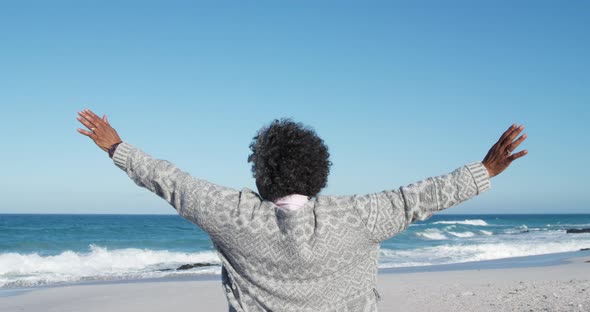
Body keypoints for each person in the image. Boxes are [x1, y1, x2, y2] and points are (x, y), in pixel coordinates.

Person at [76, 109, 527, 312]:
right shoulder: (361, 215)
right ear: (319, 173)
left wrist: (116, 146)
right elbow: (424, 196)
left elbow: (170, 182)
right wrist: (485, 169)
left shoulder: (230, 214)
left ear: (259, 173)